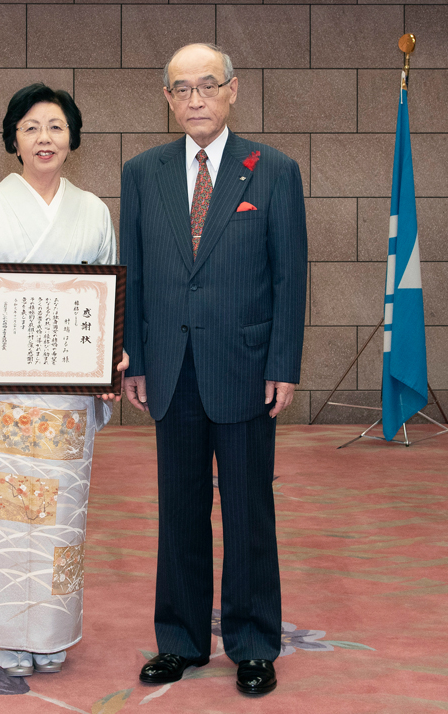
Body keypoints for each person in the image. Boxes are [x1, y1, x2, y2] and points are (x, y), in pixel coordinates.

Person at [120, 44, 308, 696]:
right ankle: (181, 639)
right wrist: (136, 359)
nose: (195, 99)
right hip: (170, 367)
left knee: (250, 510)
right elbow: (136, 275)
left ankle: (254, 644)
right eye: (181, 89)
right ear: (167, 99)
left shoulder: (274, 170)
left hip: (248, 367)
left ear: (232, 92)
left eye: (207, 86)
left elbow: (290, 275)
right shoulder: (143, 172)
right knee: (179, 508)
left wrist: (284, 362)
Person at [0, 84, 121, 677]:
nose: (45, 137)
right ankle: (10, 632)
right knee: (7, 514)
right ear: (13, 139)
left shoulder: (93, 211)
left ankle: (54, 630)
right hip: (6, 391)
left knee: (62, 514)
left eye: (56, 127)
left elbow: (113, 295)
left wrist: (114, 356)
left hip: (67, 393)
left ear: (73, 140)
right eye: (32, 127)